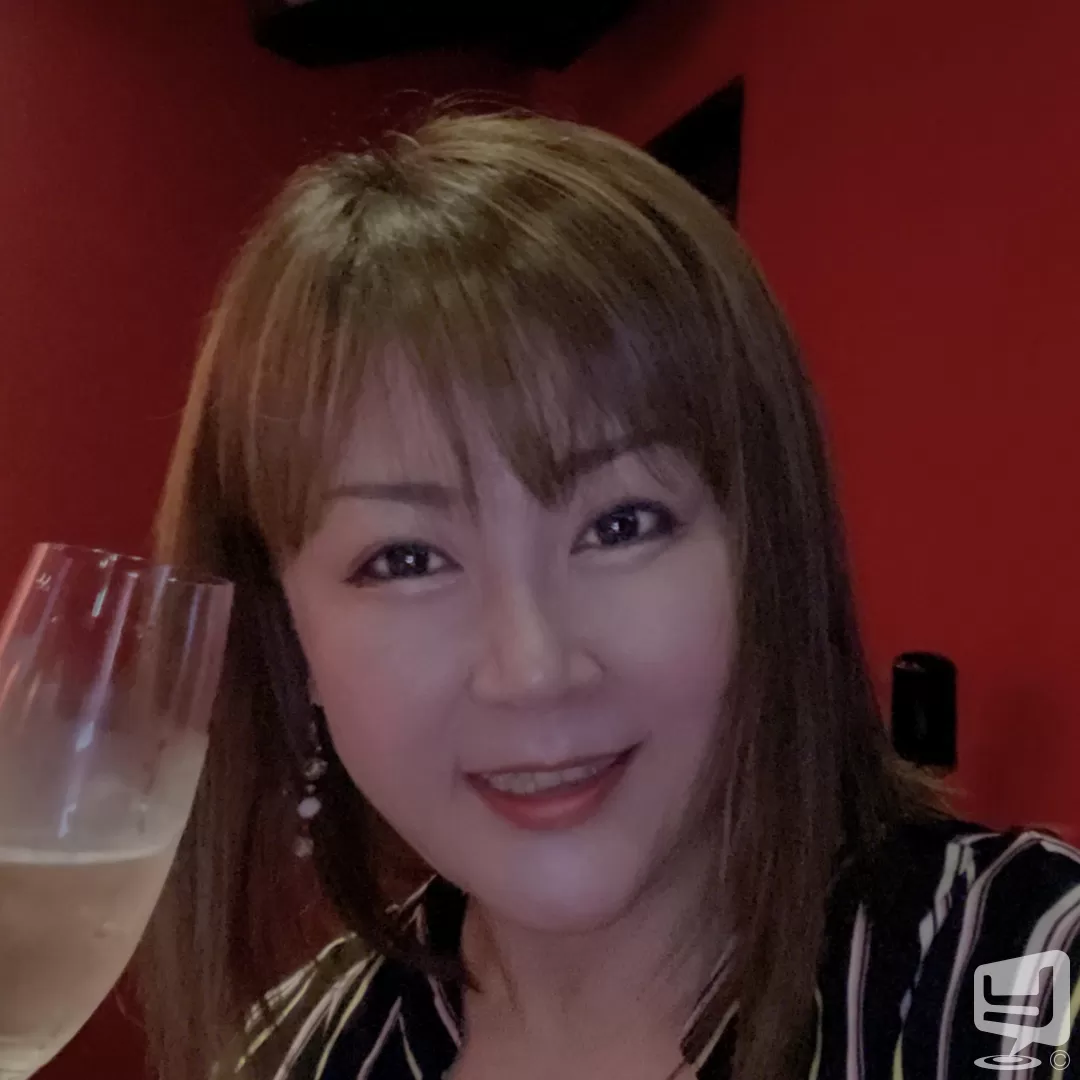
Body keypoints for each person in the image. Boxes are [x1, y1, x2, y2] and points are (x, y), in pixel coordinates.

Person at [138, 110, 1080, 1080]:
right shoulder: (289, 1054)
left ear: (765, 552)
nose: (533, 668)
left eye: (622, 524)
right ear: (286, 634)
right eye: (405, 559)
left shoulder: (1026, 976)